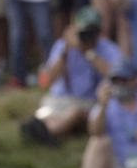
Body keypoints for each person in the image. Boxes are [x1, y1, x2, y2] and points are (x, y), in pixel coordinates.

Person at [23, 7, 123, 145]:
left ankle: (49, 133)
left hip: (90, 103)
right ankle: (47, 130)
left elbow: (117, 77)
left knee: (75, 113)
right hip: (60, 100)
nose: (88, 35)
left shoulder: (109, 49)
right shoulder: (63, 46)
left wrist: (89, 53)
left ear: (99, 32)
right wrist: (65, 51)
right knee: (44, 114)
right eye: (84, 30)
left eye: (92, 31)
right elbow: (46, 81)